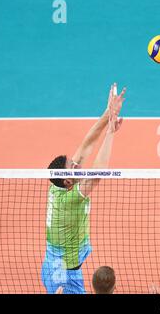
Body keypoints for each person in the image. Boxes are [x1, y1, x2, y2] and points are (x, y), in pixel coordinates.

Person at [41, 83, 126, 294]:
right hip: (67, 267)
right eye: (73, 166)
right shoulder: (70, 199)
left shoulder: (60, 185)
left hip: (53, 259)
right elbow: (98, 174)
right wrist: (110, 133)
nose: (77, 163)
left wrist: (108, 113)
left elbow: (87, 145)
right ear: (68, 181)